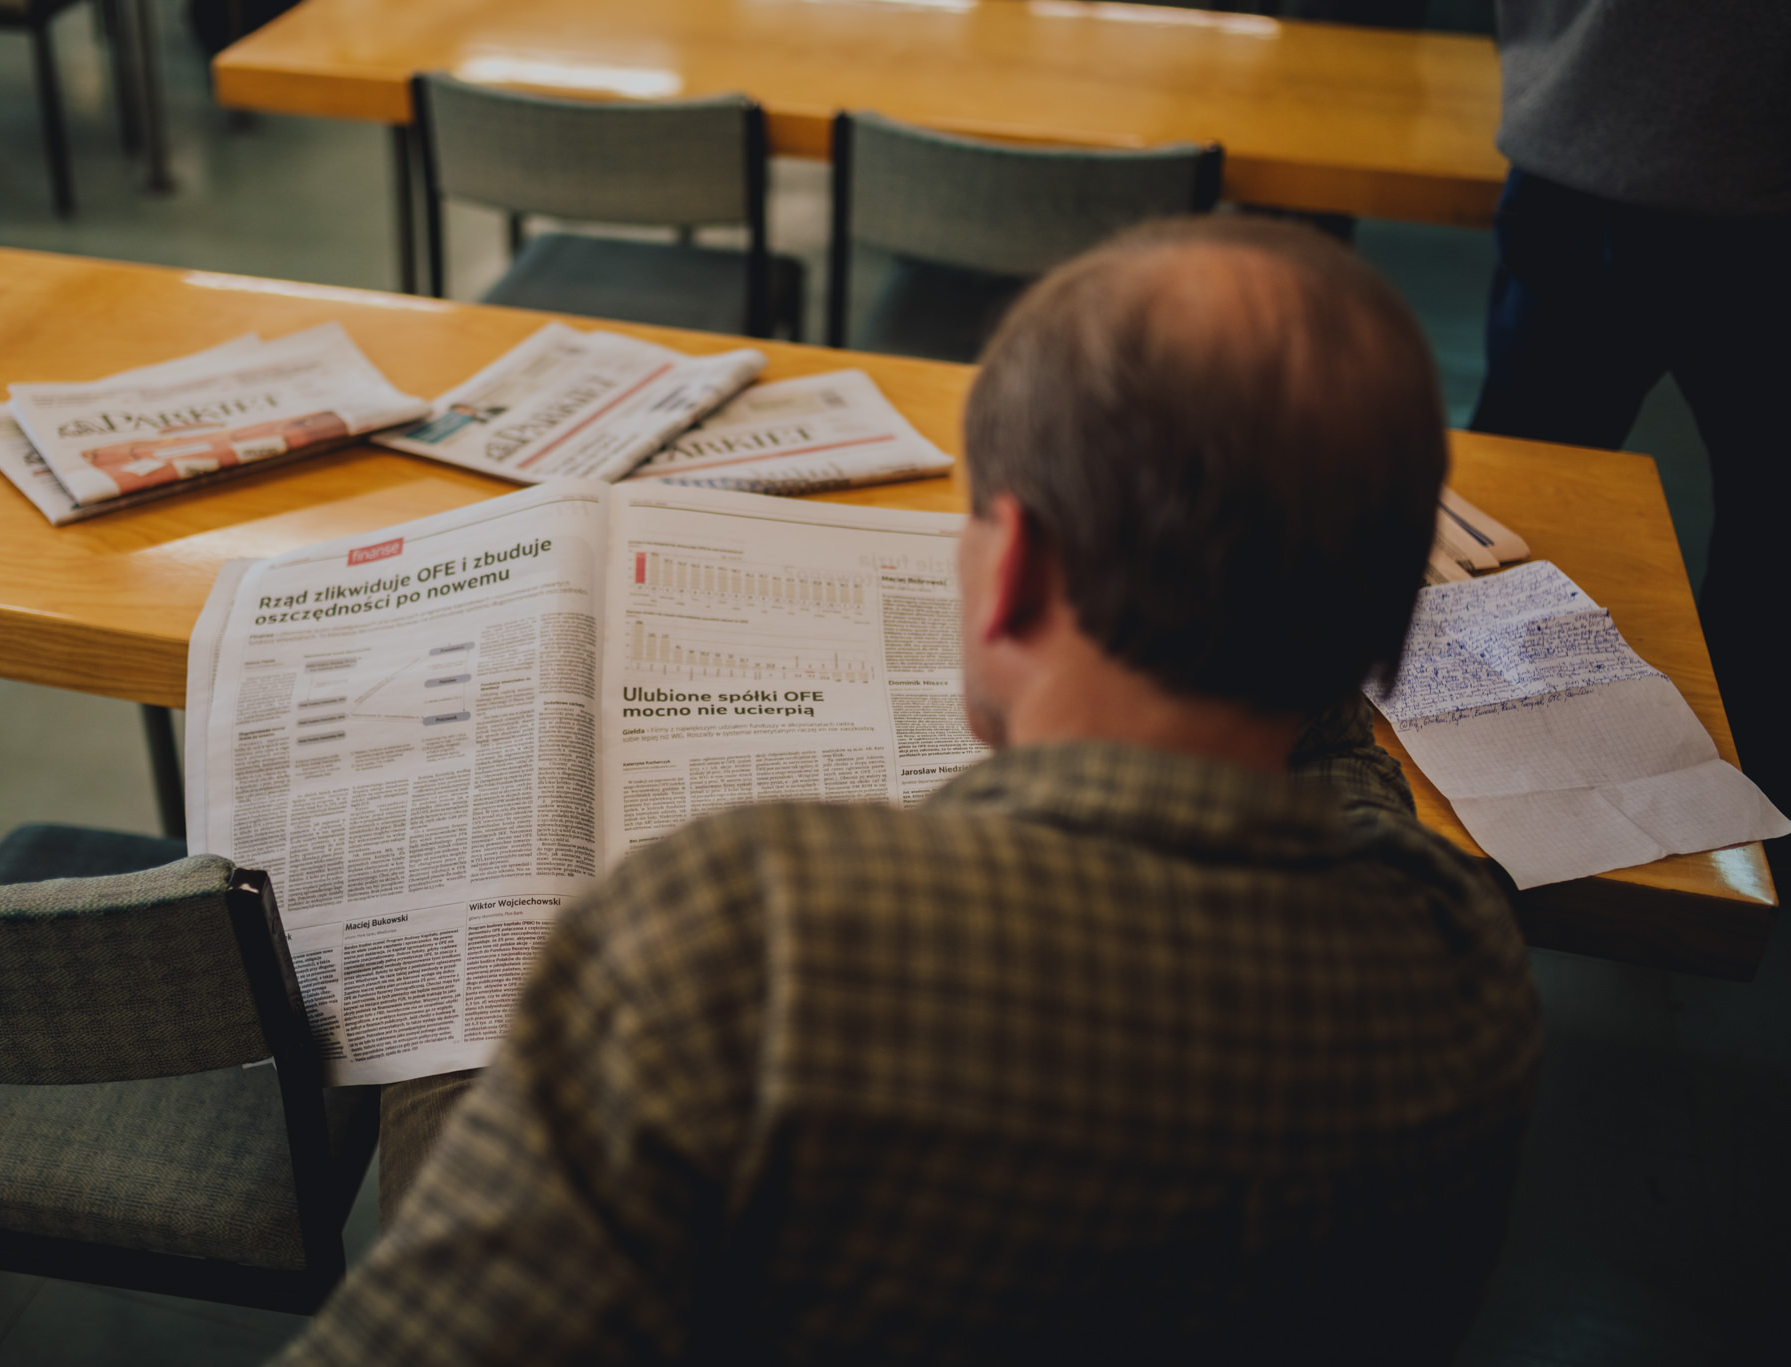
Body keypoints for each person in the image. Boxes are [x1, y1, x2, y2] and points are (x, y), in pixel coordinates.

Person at [277, 218, 1542, 1366]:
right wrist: (1311, 565)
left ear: (1015, 573)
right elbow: (1357, 789)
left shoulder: (746, 937)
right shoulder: (1463, 958)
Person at [1470, 0, 1791, 816]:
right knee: (1507, 529)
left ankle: (1732, 820)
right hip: (1635, 151)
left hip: (1587, 130)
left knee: (1511, 520)